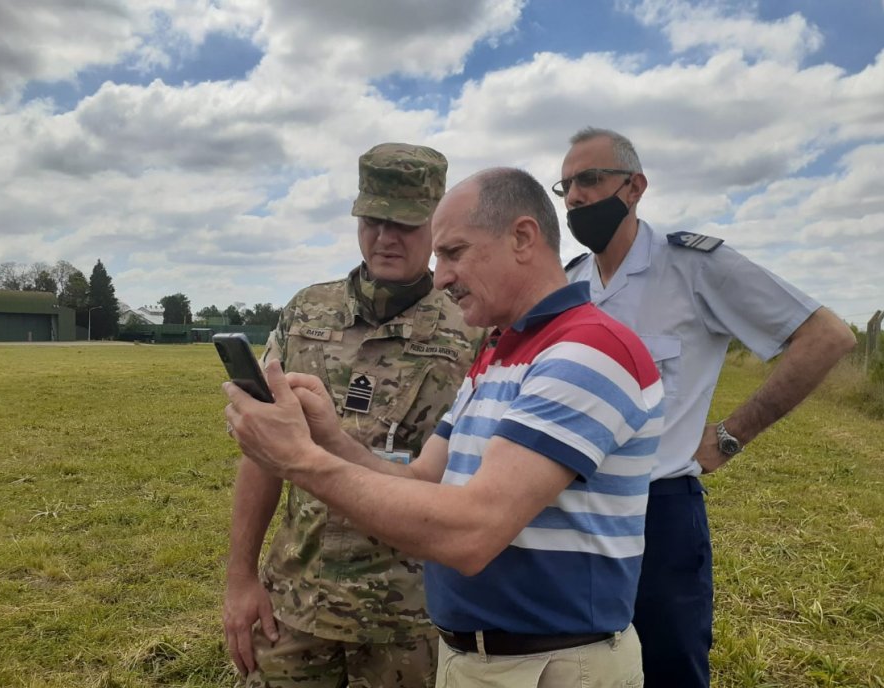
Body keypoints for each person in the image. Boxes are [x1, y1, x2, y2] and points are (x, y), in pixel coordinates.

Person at [223, 167, 665, 688]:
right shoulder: (501, 355)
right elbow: (422, 479)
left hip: (551, 666)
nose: (441, 278)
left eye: (453, 253)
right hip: (484, 658)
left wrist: (298, 458)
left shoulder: (586, 352)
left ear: (523, 237)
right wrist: (329, 438)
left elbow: (472, 532)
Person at [556, 127, 857, 688]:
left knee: (669, 668)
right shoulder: (571, 285)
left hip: (659, 514)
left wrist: (729, 436)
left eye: (590, 180)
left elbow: (827, 337)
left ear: (635, 187)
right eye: (566, 186)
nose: (575, 197)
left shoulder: (693, 266)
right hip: (573, 515)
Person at [223, 142, 482, 688]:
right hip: (297, 601)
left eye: (406, 223)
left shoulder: (472, 327)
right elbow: (265, 455)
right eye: (372, 220)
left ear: (436, 225)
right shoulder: (306, 313)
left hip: (412, 618)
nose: (385, 237)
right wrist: (241, 578)